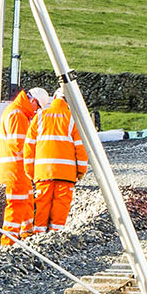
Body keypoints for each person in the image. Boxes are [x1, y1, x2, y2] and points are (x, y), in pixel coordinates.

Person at [30, 90, 89, 234]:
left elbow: (29, 147)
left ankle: (38, 235)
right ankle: (55, 235)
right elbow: (81, 150)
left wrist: (31, 172)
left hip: (43, 173)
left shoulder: (39, 117)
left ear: (54, 98)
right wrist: (80, 172)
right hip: (66, 175)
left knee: (42, 202)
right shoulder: (73, 120)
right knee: (61, 205)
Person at [0, 86, 49, 241]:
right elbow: (20, 146)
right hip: (14, 169)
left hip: (19, 169)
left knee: (26, 201)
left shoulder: (19, 112)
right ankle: (8, 241)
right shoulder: (17, 114)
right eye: (38, 107)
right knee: (17, 203)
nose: (36, 112)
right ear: (33, 101)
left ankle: (26, 235)